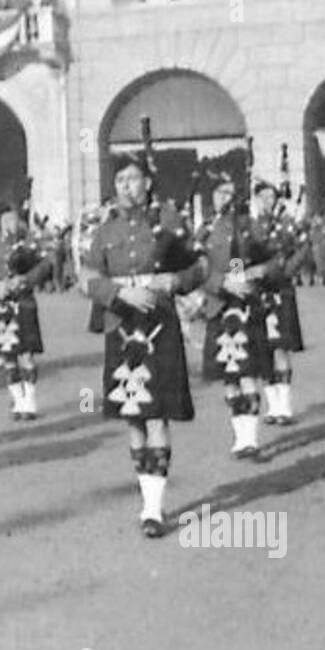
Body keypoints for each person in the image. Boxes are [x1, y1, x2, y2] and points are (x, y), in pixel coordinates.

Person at [80, 154, 206, 538]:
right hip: (121, 324)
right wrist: (119, 292)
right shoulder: (104, 230)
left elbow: (199, 267)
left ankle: (154, 507)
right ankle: (145, 494)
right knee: (133, 416)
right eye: (120, 179)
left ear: (147, 183)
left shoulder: (168, 221)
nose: (125, 186)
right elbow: (86, 277)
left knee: (157, 414)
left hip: (159, 325)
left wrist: (174, 282)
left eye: (133, 178)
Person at [198, 174, 280, 458]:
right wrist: (220, 283)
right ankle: (238, 433)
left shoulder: (249, 226)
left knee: (248, 372)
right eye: (220, 193)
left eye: (230, 193)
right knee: (229, 377)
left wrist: (259, 272)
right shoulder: (204, 230)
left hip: (246, 306)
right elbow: (196, 269)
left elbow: (274, 258)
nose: (225, 198)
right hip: (219, 307)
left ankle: (250, 438)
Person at [0, 199, 53, 421]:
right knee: (8, 356)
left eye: (14, 219)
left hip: (24, 302)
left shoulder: (29, 243)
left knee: (26, 353)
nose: (11, 224)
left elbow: (45, 265)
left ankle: (31, 399)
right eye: (6, 220)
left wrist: (25, 280)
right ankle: (17, 398)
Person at [251, 180, 306, 427]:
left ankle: (284, 405)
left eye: (271, 197)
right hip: (255, 293)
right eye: (263, 197)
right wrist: (240, 277)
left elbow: (302, 250)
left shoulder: (287, 224)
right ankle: (272, 405)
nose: (267, 202)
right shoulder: (247, 228)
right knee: (261, 350)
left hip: (280, 290)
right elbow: (234, 256)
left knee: (281, 346)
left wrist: (286, 270)